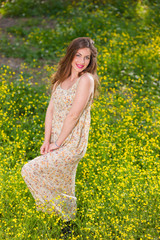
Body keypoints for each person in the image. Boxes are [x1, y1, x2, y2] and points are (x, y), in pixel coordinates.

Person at [21, 37, 99, 236]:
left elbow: (73, 115)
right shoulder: (61, 78)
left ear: (91, 61)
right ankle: (68, 224)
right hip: (56, 139)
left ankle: (56, 215)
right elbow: (50, 110)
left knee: (29, 170)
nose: (82, 61)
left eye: (87, 58)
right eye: (78, 55)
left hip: (72, 142)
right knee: (63, 180)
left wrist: (58, 143)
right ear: (71, 55)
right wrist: (47, 141)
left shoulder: (86, 80)